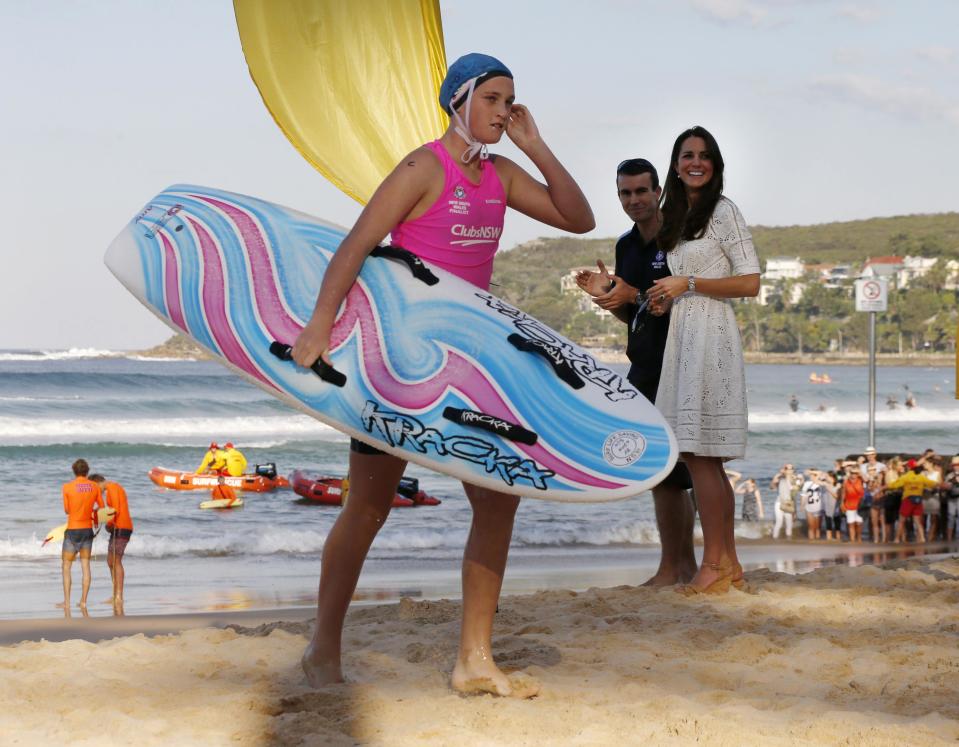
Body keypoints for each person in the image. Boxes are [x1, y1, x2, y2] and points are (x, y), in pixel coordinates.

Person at [289, 53, 594, 696]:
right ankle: (322, 648)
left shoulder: (502, 175)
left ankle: (473, 661)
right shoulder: (421, 167)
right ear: (458, 100)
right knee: (369, 505)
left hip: (471, 358)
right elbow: (356, 244)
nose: (503, 110)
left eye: (510, 100)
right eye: (491, 98)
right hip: (398, 356)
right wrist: (319, 326)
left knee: (498, 494)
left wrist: (536, 146)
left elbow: (578, 217)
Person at [646, 125, 760, 593]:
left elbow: (750, 281)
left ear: (715, 165)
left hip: (711, 335)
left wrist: (687, 285)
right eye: (687, 154)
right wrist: (666, 298)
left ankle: (712, 565)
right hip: (685, 331)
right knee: (698, 455)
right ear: (675, 165)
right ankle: (728, 563)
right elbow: (686, 279)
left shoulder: (723, 211)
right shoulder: (677, 214)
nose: (696, 162)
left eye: (704, 155)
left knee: (701, 455)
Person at [574, 157, 695, 586]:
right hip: (643, 366)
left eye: (641, 191)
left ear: (658, 191)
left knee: (692, 469)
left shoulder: (680, 239)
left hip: (683, 364)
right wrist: (611, 300)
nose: (634, 200)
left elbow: (686, 305)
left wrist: (634, 292)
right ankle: (674, 565)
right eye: (625, 193)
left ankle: (693, 566)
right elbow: (639, 315)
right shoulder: (625, 247)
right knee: (662, 472)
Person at [59, 459, 103, 611]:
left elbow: (67, 510)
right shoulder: (94, 486)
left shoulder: (67, 487)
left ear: (74, 470)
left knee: (66, 566)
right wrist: (90, 511)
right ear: (87, 471)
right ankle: (83, 601)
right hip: (87, 530)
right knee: (85, 566)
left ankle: (67, 602)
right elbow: (101, 507)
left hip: (72, 530)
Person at [90, 474, 133, 611]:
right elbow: (111, 510)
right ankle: (115, 594)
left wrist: (109, 523)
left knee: (116, 561)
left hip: (122, 527)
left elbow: (115, 511)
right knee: (110, 561)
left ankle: (118, 596)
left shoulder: (113, 488)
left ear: (97, 483)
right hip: (118, 527)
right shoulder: (113, 489)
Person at [890, 458, 938, 543]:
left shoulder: (905, 477)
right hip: (918, 500)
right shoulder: (921, 477)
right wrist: (940, 484)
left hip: (908, 500)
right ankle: (922, 538)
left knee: (901, 521)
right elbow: (932, 483)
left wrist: (884, 487)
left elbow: (895, 485)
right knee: (918, 521)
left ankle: (897, 539)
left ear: (909, 467)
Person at [771, 465, 800, 539]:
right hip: (779, 503)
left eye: (790, 469)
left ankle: (788, 539)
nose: (788, 470)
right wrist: (779, 474)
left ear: (793, 470)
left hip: (789, 503)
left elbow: (795, 493)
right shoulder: (780, 478)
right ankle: (774, 539)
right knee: (779, 522)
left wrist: (795, 510)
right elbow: (772, 487)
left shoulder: (796, 479)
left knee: (789, 523)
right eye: (786, 468)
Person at [800, 469, 826, 540]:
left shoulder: (820, 482)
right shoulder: (807, 483)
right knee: (811, 527)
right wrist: (802, 505)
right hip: (809, 508)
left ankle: (817, 541)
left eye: (813, 475)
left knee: (818, 527)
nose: (811, 476)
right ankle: (811, 541)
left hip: (819, 508)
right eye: (810, 475)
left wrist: (811, 472)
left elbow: (822, 473)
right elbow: (803, 495)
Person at [883, 456, 904, 543]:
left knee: (900, 519)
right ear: (895, 465)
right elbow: (890, 485)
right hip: (891, 497)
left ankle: (899, 538)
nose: (901, 467)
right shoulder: (890, 473)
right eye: (900, 465)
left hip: (899, 496)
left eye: (901, 465)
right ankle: (887, 539)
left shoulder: (899, 473)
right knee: (889, 520)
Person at [841, 468, 865, 543]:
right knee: (851, 524)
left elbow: (867, 479)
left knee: (859, 523)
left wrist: (859, 471)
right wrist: (841, 503)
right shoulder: (846, 481)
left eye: (855, 473)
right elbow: (843, 492)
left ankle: (859, 538)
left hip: (860, 505)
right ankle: (852, 539)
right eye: (852, 473)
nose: (853, 474)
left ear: (857, 474)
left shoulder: (861, 480)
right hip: (849, 505)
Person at [943, 456, 959, 542]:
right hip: (951, 498)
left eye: (957, 465)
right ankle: (949, 538)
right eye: (954, 465)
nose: (956, 466)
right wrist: (948, 485)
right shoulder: (949, 475)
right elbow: (945, 486)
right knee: (951, 517)